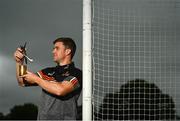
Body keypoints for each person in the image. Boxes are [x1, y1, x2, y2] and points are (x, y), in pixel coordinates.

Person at [13, 37, 82, 120]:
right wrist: (19, 62)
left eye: (57, 48)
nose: (53, 51)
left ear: (68, 51)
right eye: (53, 49)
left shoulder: (77, 73)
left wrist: (37, 79)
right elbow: (22, 82)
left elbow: (60, 90)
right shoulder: (48, 71)